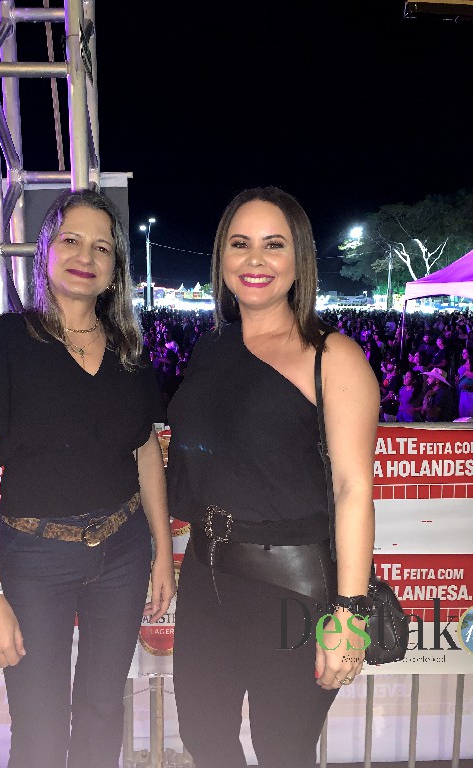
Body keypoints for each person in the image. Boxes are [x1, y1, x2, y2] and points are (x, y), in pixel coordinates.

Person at [0, 188, 175, 768]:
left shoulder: (128, 349)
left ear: (115, 267)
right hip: (33, 560)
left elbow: (146, 451)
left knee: (102, 712)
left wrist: (161, 553)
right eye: (72, 240)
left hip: (123, 553)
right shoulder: (1, 341)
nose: (86, 256)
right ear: (45, 249)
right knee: (39, 728)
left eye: (102, 247)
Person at [167, 186, 379, 768]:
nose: (254, 259)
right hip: (206, 575)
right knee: (204, 738)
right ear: (222, 257)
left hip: (293, 589)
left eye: (273, 244)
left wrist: (350, 614)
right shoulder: (211, 348)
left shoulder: (332, 356)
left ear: (299, 258)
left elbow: (354, 489)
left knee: (283, 750)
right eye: (240, 244)